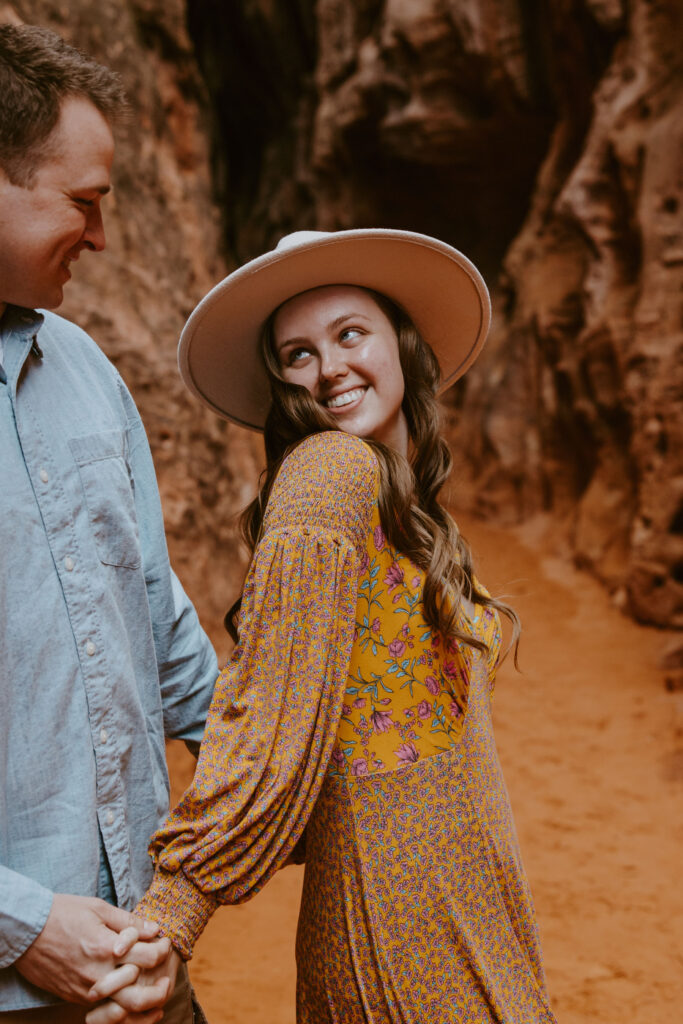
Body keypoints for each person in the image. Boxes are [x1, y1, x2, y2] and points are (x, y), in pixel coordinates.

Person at [92, 229, 558, 1023]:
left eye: (349, 334)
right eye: (298, 355)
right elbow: (267, 704)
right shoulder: (330, 472)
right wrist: (175, 914)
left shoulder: (401, 496)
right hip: (399, 920)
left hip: (473, 897)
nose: (330, 368)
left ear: (401, 345)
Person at [0, 23, 218, 1024]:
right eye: (81, 205)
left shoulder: (84, 366)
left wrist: (272, 761)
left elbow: (155, 615)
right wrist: (26, 925)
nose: (99, 238)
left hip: (141, 956)